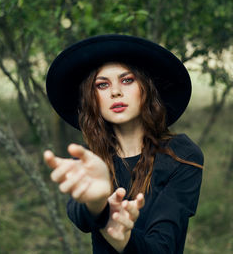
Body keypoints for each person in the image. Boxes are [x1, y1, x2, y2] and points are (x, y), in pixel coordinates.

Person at [44, 34, 204, 253]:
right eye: (102, 85)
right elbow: (79, 218)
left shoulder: (181, 155)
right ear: (92, 98)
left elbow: (163, 247)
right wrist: (96, 203)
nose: (115, 91)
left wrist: (122, 238)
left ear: (146, 88)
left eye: (127, 80)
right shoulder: (90, 159)